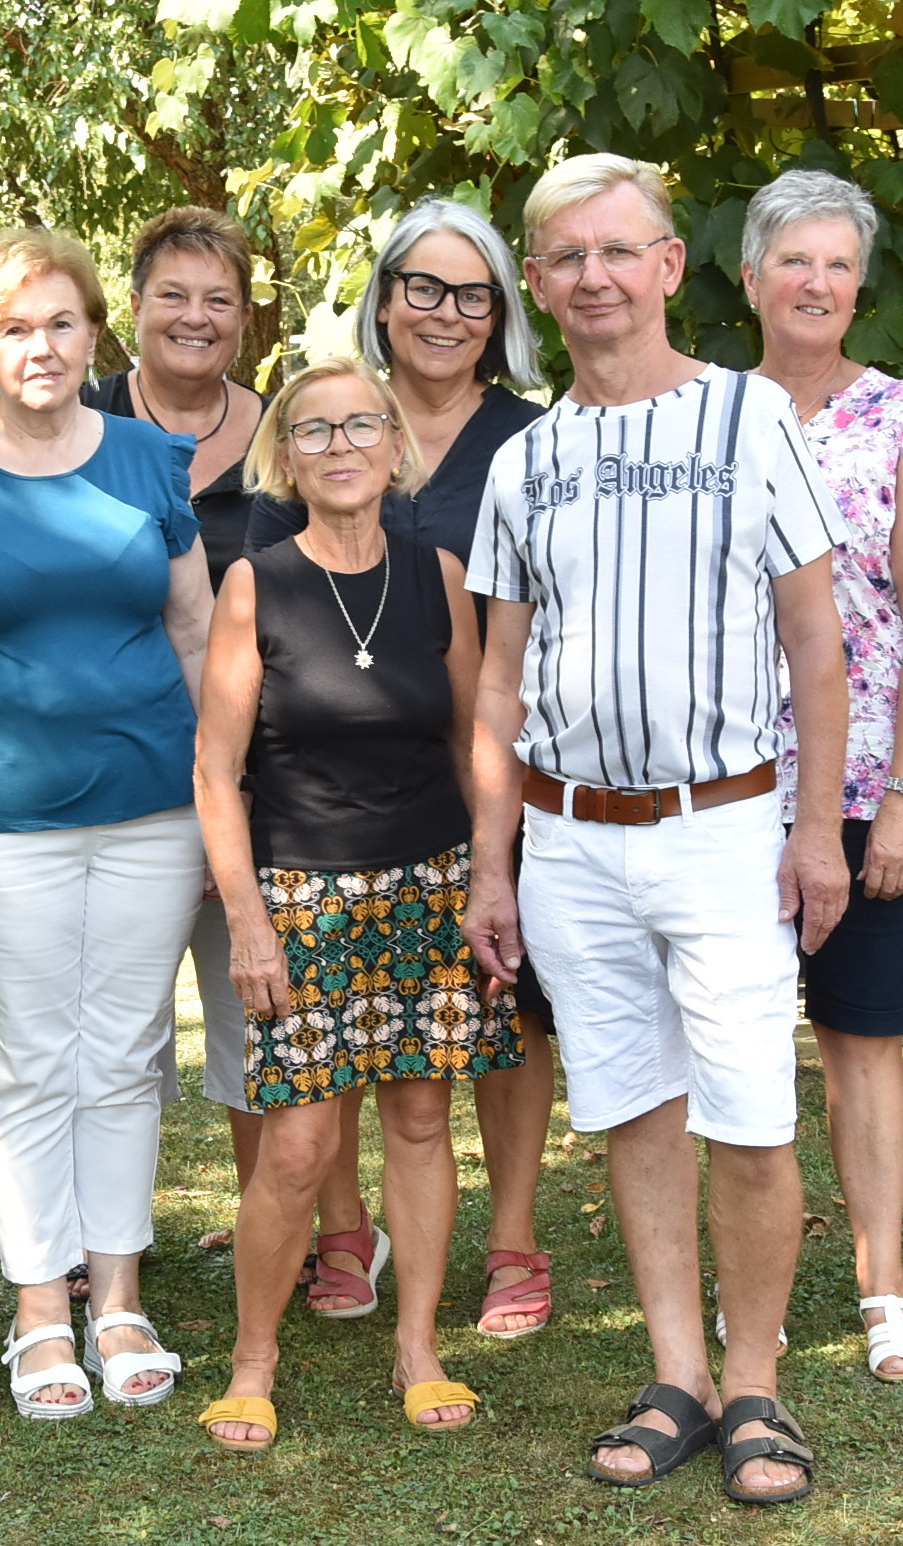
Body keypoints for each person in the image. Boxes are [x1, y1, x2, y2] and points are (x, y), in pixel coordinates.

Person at [463, 154, 851, 1505]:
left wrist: (817, 834)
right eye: (564, 256)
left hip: (721, 827)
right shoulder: (523, 461)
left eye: (617, 250)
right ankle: (678, 1372)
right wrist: (493, 862)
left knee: (747, 1113)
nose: (593, 277)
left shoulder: (749, 420)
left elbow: (816, 641)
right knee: (630, 1105)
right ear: (539, 283)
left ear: (672, 264)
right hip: (569, 838)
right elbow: (498, 681)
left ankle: (758, 1384)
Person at [0, 227, 213, 1418]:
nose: (42, 346)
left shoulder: (149, 463)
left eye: (62, 321)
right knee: (30, 1062)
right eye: (15, 326)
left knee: (124, 1055)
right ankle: (39, 1312)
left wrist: (225, 812)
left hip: (153, 814)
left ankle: (117, 1299)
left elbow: (199, 638)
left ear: (92, 334)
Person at [194, 358, 525, 1452]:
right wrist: (247, 918)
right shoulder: (258, 581)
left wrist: (489, 873)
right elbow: (215, 766)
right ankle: (254, 1359)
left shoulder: (438, 570)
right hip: (304, 892)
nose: (341, 446)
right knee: (295, 1145)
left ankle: (419, 1345)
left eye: (360, 426)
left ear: (396, 444)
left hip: (428, 881)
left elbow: (474, 731)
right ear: (286, 456)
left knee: (424, 1119)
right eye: (316, 430)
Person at [247, 198, 558, 1338]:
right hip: (322, 791)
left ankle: (512, 1236)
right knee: (336, 1020)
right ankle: (343, 1228)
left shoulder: (536, 438)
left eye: (472, 294)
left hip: (487, 763)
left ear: (501, 314)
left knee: (502, 1002)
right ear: (383, 298)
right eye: (422, 287)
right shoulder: (331, 420)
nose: (445, 313)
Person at [741, 169, 903, 1382]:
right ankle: (751, 1293)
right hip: (724, 788)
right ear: (749, 277)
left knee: (861, 1037)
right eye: (794, 260)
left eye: (837, 263)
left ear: (859, 282)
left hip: (866, 781)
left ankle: (885, 1284)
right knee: (726, 1044)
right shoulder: (708, 413)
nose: (817, 282)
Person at [74, 207, 267, 1222]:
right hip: (111, 780)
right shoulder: (72, 424)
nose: (195, 317)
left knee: (259, 1021)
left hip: (263, 783)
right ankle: (100, 1238)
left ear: (245, 318)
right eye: (173, 296)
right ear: (135, 307)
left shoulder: (286, 438)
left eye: (218, 300)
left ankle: (288, 1234)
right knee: (115, 1028)